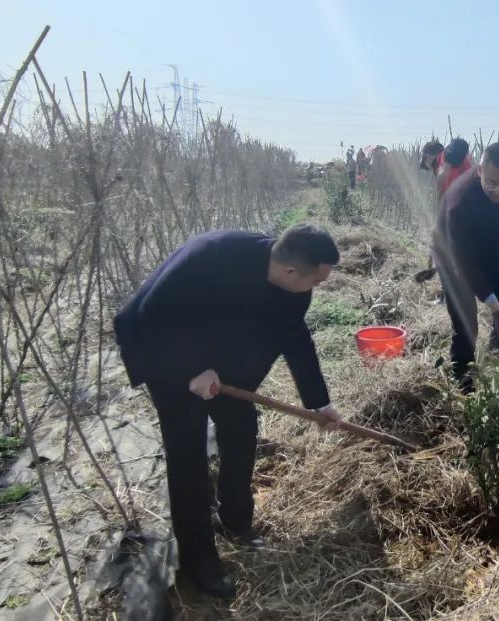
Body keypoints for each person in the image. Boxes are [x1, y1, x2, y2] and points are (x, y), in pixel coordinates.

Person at [113, 224, 343, 597]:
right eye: (316, 281)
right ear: (290, 272)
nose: (316, 289)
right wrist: (189, 369)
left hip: (218, 357)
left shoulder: (292, 288)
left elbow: (295, 337)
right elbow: (154, 313)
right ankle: (198, 565)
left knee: (241, 430)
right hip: (163, 349)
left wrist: (319, 402)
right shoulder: (215, 257)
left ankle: (235, 521)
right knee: (188, 458)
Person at [430, 141, 499, 389]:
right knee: (465, 324)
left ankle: (495, 359)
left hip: (486, 248)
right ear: (480, 171)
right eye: (492, 183)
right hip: (453, 256)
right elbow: (466, 266)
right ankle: (464, 383)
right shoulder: (459, 203)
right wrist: (495, 310)